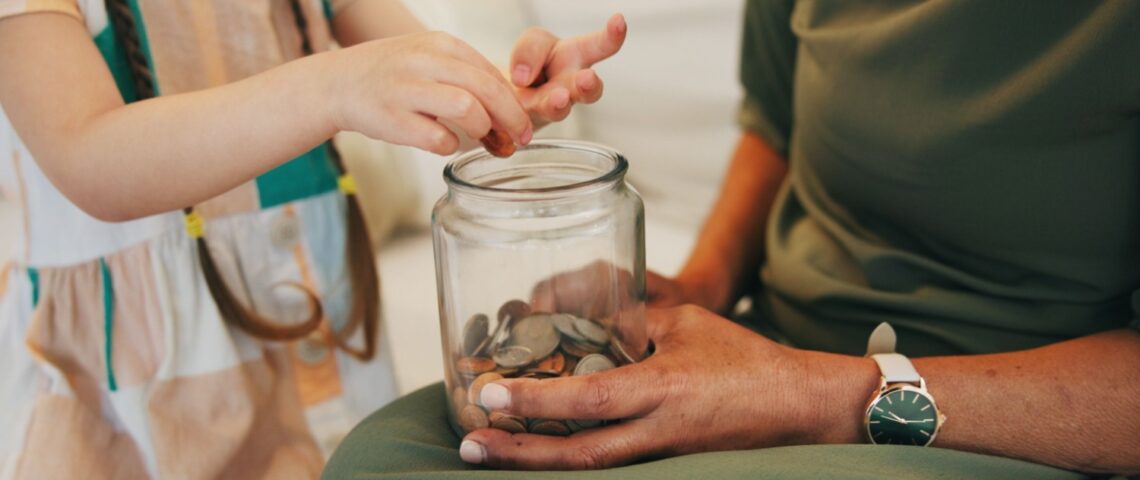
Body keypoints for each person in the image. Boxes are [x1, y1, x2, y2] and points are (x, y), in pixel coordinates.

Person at [323, 1, 1140, 478]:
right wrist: (705, 284)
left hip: (1004, 414)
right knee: (389, 462)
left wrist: (812, 394)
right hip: (772, 340)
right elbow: (778, 124)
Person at [0, 0, 625, 477]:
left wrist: (508, 94)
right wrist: (334, 86)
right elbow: (89, 156)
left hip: (318, 341)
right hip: (143, 393)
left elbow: (419, 86)